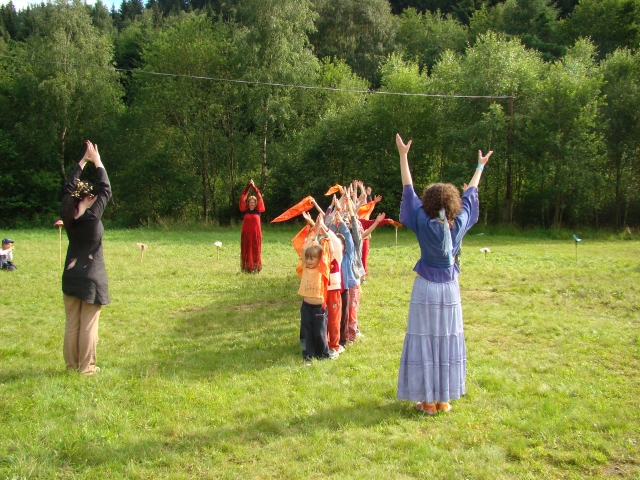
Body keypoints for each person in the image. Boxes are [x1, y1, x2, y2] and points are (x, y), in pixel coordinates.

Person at [395, 133, 492, 415]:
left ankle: (428, 402)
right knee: (446, 339)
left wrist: (403, 156)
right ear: (452, 203)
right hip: (449, 288)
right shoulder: (458, 222)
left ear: (428, 202)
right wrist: (479, 167)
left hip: (425, 287)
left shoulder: (422, 219)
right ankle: (443, 400)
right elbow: (470, 195)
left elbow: (408, 188)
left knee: (425, 339)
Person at [60, 141, 112, 375]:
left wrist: (82, 161)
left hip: (71, 274)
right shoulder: (92, 216)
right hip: (91, 276)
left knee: (72, 324)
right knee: (88, 325)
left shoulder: (67, 213)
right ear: (88, 197)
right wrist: (97, 161)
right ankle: (87, 368)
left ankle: (72, 366)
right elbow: (106, 189)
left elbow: (68, 188)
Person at [298, 218, 335, 363]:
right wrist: (314, 235)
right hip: (306, 306)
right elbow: (303, 249)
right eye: (307, 258)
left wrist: (326, 234)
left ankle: (323, 354)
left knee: (320, 332)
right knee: (305, 332)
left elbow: (331, 252)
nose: (308, 261)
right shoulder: (305, 269)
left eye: (312, 258)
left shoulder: (322, 270)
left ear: (320, 260)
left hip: (319, 308)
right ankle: (307, 355)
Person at [238, 179, 265, 273]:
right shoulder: (245, 210)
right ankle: (246, 268)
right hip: (246, 234)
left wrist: (254, 187)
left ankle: (255, 268)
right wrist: (248, 187)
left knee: (255, 250)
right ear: (248, 203)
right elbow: (242, 197)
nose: (252, 203)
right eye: (250, 202)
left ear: (256, 203)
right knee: (246, 250)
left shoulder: (258, 210)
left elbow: (259, 196)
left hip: (256, 235)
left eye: (253, 202)